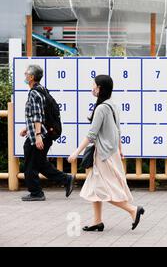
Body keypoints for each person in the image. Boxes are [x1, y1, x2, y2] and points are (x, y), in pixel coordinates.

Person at [68, 75, 145, 232]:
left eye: (94, 85)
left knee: (105, 190)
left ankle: (132, 210)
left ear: (100, 88)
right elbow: (117, 130)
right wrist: (120, 149)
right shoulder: (111, 105)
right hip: (112, 152)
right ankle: (97, 221)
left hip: (103, 155)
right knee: (95, 188)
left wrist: (76, 153)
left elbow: (91, 135)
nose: (92, 88)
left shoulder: (102, 108)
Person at [20, 65, 74, 201]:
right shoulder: (42, 89)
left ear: (31, 77)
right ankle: (66, 179)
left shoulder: (34, 93)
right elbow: (40, 115)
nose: (24, 75)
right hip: (44, 133)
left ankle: (36, 193)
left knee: (30, 164)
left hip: (39, 136)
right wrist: (28, 128)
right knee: (40, 163)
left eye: (26, 73)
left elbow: (37, 115)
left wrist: (37, 136)